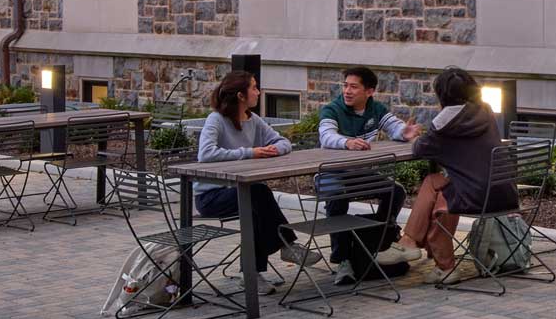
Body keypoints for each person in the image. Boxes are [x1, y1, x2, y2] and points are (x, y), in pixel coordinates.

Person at [398, 66, 504, 276]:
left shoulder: (445, 121)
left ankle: (439, 263)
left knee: (442, 200)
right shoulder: (486, 110)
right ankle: (414, 244)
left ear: (442, 95)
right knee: (434, 182)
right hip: (502, 190)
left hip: (476, 196)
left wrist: (414, 136)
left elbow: (420, 149)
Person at [315, 65, 414, 283]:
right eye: (345, 86)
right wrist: (347, 142)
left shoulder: (375, 108)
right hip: (330, 173)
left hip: (358, 174)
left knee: (395, 192)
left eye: (353, 87)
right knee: (336, 197)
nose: (347, 91)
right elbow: (326, 136)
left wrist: (404, 132)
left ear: (369, 91)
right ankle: (343, 260)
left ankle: (379, 242)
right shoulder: (332, 109)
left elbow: (394, 126)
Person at [191, 69, 302, 265]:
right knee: (258, 193)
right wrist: (251, 152)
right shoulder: (216, 119)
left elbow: (283, 142)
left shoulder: (253, 120)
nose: (258, 92)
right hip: (211, 196)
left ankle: (254, 274)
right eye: (254, 88)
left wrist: (272, 150)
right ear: (241, 95)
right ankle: (287, 245)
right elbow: (206, 153)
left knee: (256, 206)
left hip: (241, 191)